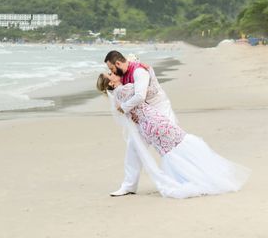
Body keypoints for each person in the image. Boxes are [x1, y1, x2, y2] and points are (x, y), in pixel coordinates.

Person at [96, 73, 250, 198]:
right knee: (181, 143)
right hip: (155, 122)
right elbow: (149, 91)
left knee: (170, 152)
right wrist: (143, 70)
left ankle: (186, 177)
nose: (113, 73)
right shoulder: (126, 89)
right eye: (110, 74)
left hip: (147, 127)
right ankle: (200, 176)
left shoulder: (118, 97)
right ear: (111, 83)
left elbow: (131, 110)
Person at [103, 50, 176, 196]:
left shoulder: (139, 71)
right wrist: (134, 113)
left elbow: (140, 96)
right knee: (134, 146)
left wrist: (124, 109)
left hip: (159, 109)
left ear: (118, 63)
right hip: (141, 115)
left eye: (111, 68)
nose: (111, 72)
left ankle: (176, 179)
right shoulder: (122, 76)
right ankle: (129, 186)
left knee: (169, 146)